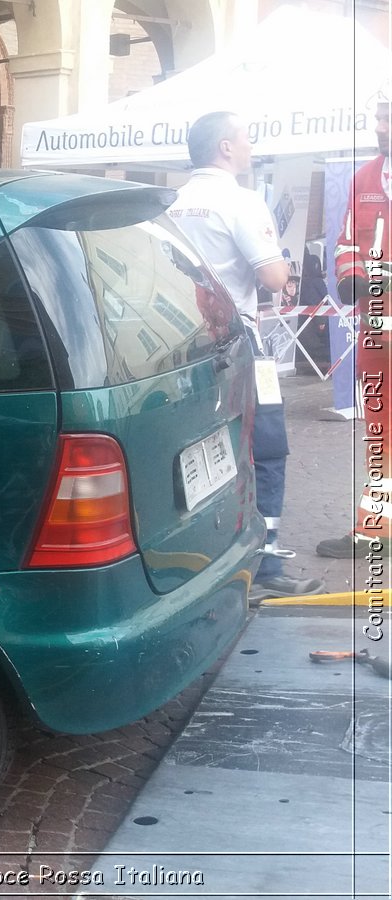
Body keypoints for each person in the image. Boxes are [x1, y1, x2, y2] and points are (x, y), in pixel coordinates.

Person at [166, 111, 323, 601]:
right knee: (268, 449)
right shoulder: (240, 201)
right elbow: (274, 278)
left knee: (202, 452)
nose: (251, 147)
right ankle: (267, 561)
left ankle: (209, 558)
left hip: (179, 345)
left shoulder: (170, 202)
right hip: (239, 343)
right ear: (226, 149)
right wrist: (287, 276)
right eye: (246, 138)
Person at [318, 90, 391, 559]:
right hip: (378, 330)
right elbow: (347, 240)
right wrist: (351, 276)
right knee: (381, 432)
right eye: (379, 116)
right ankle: (376, 528)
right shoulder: (365, 177)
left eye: (388, 116)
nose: (380, 125)